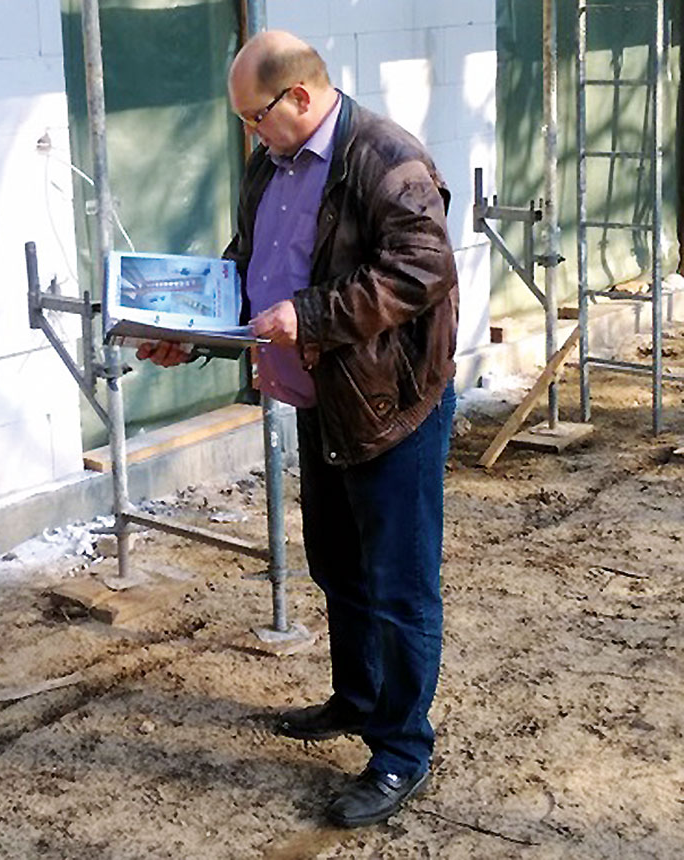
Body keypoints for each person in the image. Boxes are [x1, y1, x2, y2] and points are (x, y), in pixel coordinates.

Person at [137, 30, 458, 828]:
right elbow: (251, 258)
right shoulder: (271, 163)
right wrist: (195, 325)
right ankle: (355, 698)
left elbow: (421, 272)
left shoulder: (388, 159)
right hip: (322, 398)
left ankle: (400, 752)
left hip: (390, 407)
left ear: (300, 98)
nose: (248, 132)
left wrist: (307, 315)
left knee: (399, 586)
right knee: (337, 564)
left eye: (254, 117)